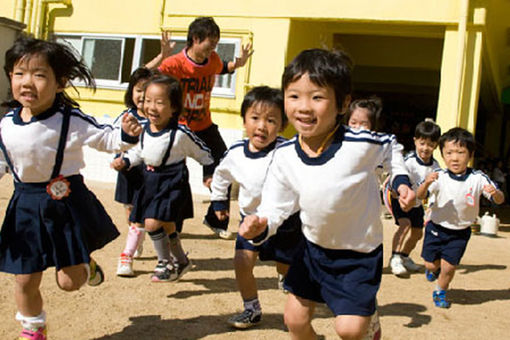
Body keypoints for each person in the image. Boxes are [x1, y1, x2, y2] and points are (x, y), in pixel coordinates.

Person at [239, 48, 415, 340]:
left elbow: (391, 147)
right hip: (312, 249)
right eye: (294, 96)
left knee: (349, 330)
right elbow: (276, 203)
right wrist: (263, 223)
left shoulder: (360, 144)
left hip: (358, 254)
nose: (304, 107)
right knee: (294, 321)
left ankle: (368, 319)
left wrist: (400, 181)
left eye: (317, 97)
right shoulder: (284, 154)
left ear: (343, 103)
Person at [0, 35, 142, 340]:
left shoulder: (70, 119)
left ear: (60, 82)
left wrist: (126, 136)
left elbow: (105, 138)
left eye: (39, 75)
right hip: (25, 205)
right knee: (24, 279)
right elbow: (4, 160)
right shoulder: (6, 124)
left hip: (64, 203)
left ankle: (84, 264)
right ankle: (33, 329)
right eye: (19, 73)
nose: (27, 82)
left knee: (68, 283)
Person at [208, 86, 304, 329]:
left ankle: (290, 290)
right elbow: (220, 176)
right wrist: (219, 201)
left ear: (282, 125)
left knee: (285, 267)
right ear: (244, 121)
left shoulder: (289, 151)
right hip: (250, 221)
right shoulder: (236, 152)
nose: (262, 126)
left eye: (271, 120)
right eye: (255, 118)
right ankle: (251, 309)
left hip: (284, 223)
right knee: (242, 262)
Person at [154, 17, 254, 239]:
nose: (213, 49)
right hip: (178, 129)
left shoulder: (213, 60)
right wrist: (161, 56)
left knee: (225, 166)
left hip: (204, 126)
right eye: (210, 44)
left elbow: (222, 68)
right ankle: (173, 227)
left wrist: (239, 64)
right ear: (195, 39)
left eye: (216, 45)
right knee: (176, 177)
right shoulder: (175, 64)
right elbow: (143, 78)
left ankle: (215, 219)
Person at [113, 73, 213, 282]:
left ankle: (165, 263)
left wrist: (211, 173)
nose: (151, 107)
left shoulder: (180, 134)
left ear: (174, 107)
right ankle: (181, 261)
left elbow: (204, 153)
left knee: (151, 224)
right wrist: (125, 162)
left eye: (159, 102)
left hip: (172, 183)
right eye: (148, 101)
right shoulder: (145, 129)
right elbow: (140, 152)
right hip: (150, 182)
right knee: (167, 226)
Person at [417, 127, 504, 308]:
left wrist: (495, 193)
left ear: (470, 154)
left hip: (460, 232)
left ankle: (440, 291)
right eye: (449, 153)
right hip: (436, 228)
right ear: (442, 154)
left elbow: (500, 199)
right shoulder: (438, 176)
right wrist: (425, 184)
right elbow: (419, 195)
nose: (454, 158)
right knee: (431, 265)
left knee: (449, 268)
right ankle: (434, 269)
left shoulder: (478, 178)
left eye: (460, 152)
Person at [113, 67, 155, 276]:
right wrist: (117, 159)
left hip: (150, 174)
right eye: (138, 90)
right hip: (128, 171)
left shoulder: (158, 120)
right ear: (131, 92)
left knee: (142, 215)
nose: (142, 96)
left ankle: (129, 250)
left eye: (147, 92)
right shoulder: (126, 116)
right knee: (130, 212)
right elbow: (115, 141)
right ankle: (136, 237)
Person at [389, 119, 441, 277]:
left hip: (417, 203)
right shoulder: (409, 161)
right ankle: (395, 257)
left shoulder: (436, 166)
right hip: (400, 198)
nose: (426, 148)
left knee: (418, 232)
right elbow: (395, 176)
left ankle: (405, 256)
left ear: (436, 145)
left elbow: (433, 190)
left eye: (431, 144)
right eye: (422, 143)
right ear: (415, 141)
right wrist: (397, 193)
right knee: (405, 225)